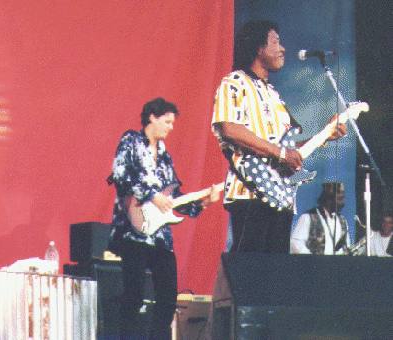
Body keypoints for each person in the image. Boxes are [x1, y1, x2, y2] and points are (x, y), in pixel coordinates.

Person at [211, 20, 346, 253]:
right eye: (275, 41)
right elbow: (230, 128)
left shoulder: (274, 95)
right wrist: (282, 153)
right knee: (250, 271)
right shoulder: (235, 82)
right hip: (250, 194)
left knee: (274, 275)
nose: (282, 48)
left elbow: (288, 151)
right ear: (258, 47)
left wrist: (324, 136)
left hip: (281, 197)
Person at [107, 97, 221, 340]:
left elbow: (175, 197)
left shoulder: (165, 157)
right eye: (167, 121)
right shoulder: (131, 141)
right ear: (152, 117)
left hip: (160, 238)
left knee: (168, 299)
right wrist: (152, 195)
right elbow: (119, 175)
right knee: (133, 296)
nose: (171, 127)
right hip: (133, 231)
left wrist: (202, 202)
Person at [290, 182, 350, 255]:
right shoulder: (307, 217)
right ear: (329, 197)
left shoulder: (343, 221)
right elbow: (295, 244)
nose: (342, 201)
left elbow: (346, 247)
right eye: (339, 196)